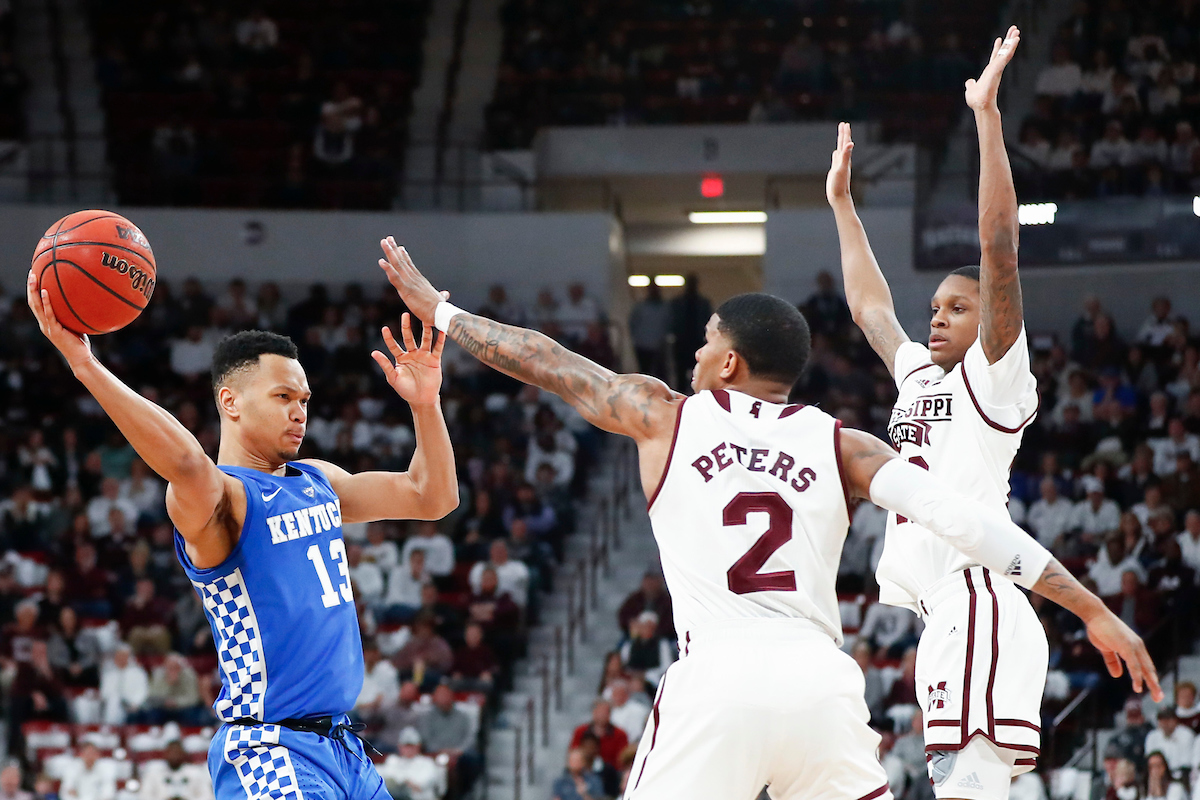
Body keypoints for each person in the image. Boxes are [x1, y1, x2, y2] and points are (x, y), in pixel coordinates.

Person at [376, 155, 1158, 800]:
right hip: (822, 685)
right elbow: (971, 524)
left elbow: (549, 362)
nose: (693, 355)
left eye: (704, 342)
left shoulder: (662, 413)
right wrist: (1092, 610)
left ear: (727, 361)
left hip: (719, 676)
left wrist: (442, 312)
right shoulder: (843, 444)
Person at [826, 31, 1159, 800]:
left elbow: (999, 246)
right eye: (936, 306)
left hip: (977, 596)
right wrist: (843, 206)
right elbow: (873, 309)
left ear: (991, 320)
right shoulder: (918, 376)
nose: (937, 318)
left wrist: (985, 118)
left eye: (958, 306)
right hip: (952, 608)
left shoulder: (995, 379)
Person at [25, 273, 458, 800]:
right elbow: (186, 462)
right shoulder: (224, 501)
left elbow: (432, 496)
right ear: (230, 403)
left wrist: (425, 404)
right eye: (282, 396)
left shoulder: (319, 481)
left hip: (345, 750)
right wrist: (85, 364)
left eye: (304, 398)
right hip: (269, 752)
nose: (299, 410)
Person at [377, 728, 445, 800]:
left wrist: (401, 781)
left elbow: (420, 785)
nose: (408, 749)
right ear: (399, 746)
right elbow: (381, 776)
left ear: (418, 746)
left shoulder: (427, 763)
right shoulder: (393, 760)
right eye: (405, 746)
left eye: (411, 746)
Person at [139, 740, 212, 800]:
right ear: (165, 754)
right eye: (171, 753)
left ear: (183, 754)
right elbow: (144, 796)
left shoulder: (196, 772)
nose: (174, 756)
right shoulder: (153, 774)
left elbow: (207, 796)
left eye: (177, 753)